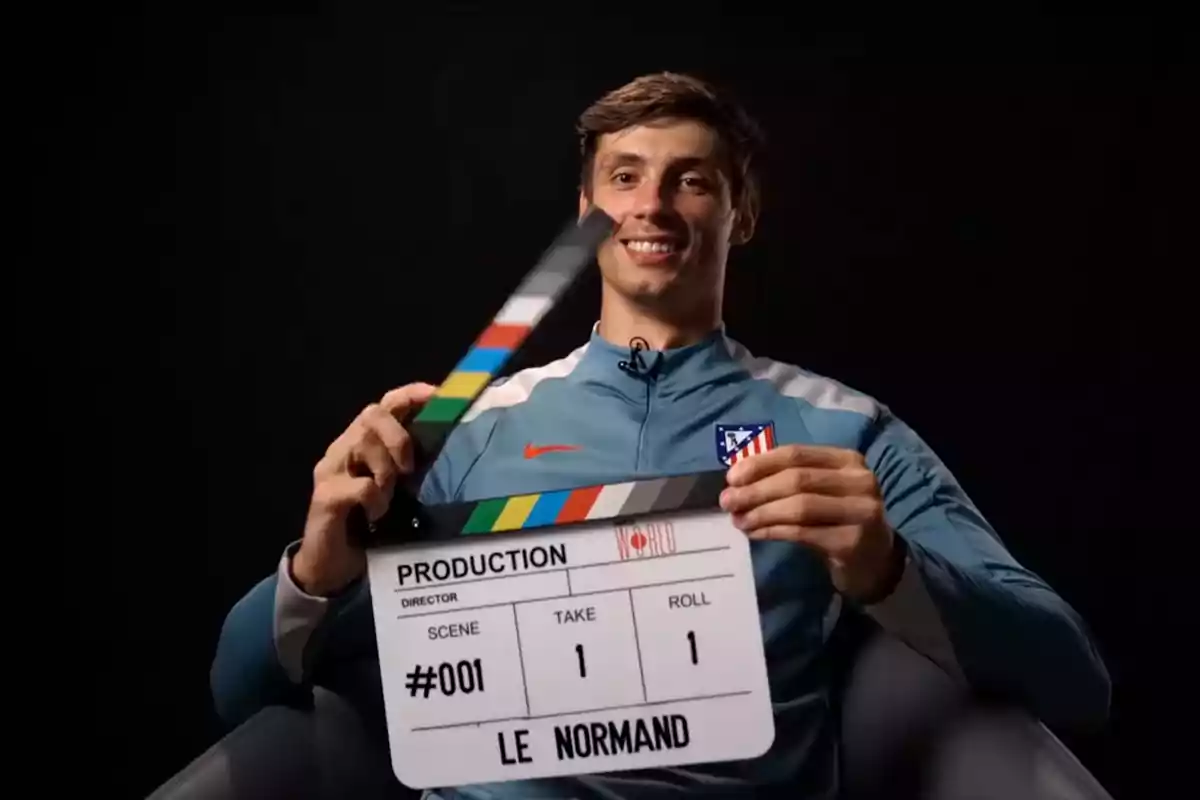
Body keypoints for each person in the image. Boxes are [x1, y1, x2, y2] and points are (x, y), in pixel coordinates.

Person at [211, 72, 1111, 799]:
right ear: (585, 213)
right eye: (626, 177)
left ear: (739, 213)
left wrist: (886, 568)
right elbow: (245, 698)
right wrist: (312, 573)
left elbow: (1073, 680)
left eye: (693, 178)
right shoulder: (463, 427)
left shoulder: (846, 429)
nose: (654, 204)